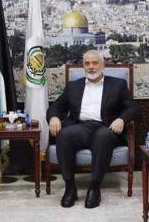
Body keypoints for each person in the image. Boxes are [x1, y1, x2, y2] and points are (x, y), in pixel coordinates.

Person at [47, 49, 139, 208]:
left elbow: (133, 108)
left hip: (106, 127)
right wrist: (54, 117)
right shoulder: (73, 86)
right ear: (83, 66)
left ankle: (95, 188)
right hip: (80, 127)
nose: (91, 67)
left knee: (103, 137)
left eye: (95, 63)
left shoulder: (118, 85)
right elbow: (56, 106)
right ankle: (70, 187)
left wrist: (121, 119)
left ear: (102, 65)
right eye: (87, 63)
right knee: (65, 135)